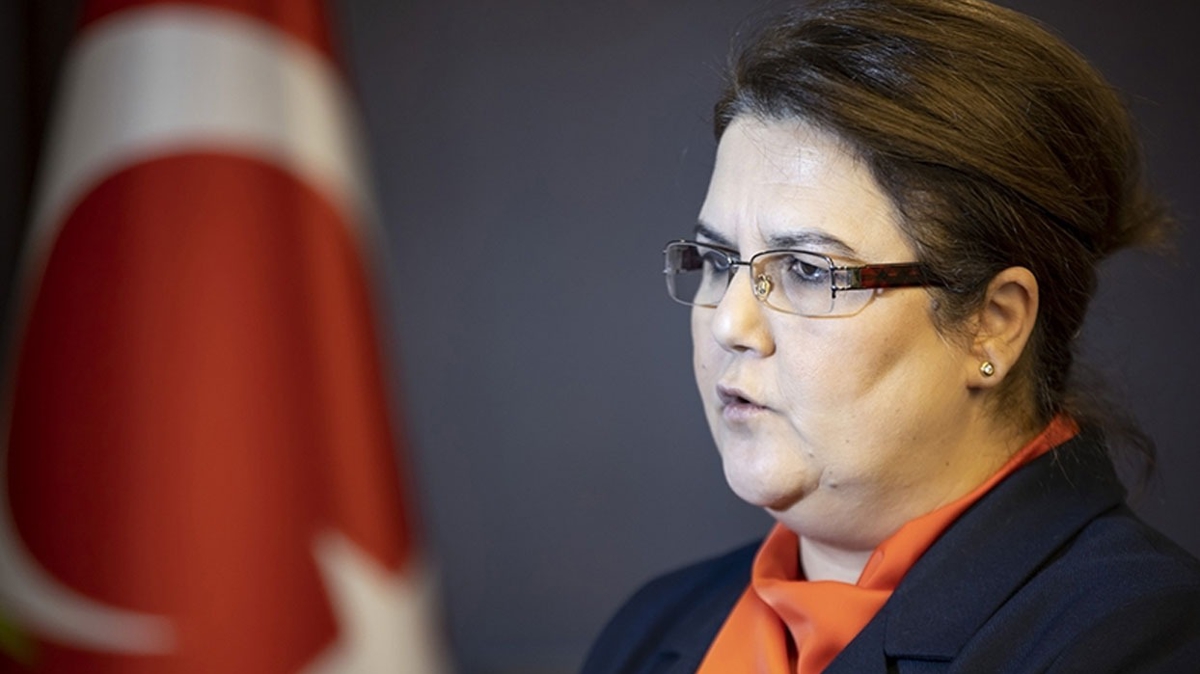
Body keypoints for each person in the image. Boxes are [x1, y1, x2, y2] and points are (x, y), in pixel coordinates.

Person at [581, 0, 1200, 671]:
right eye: (717, 260)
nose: (729, 324)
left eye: (807, 271)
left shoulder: (1140, 639)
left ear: (994, 324)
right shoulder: (650, 629)